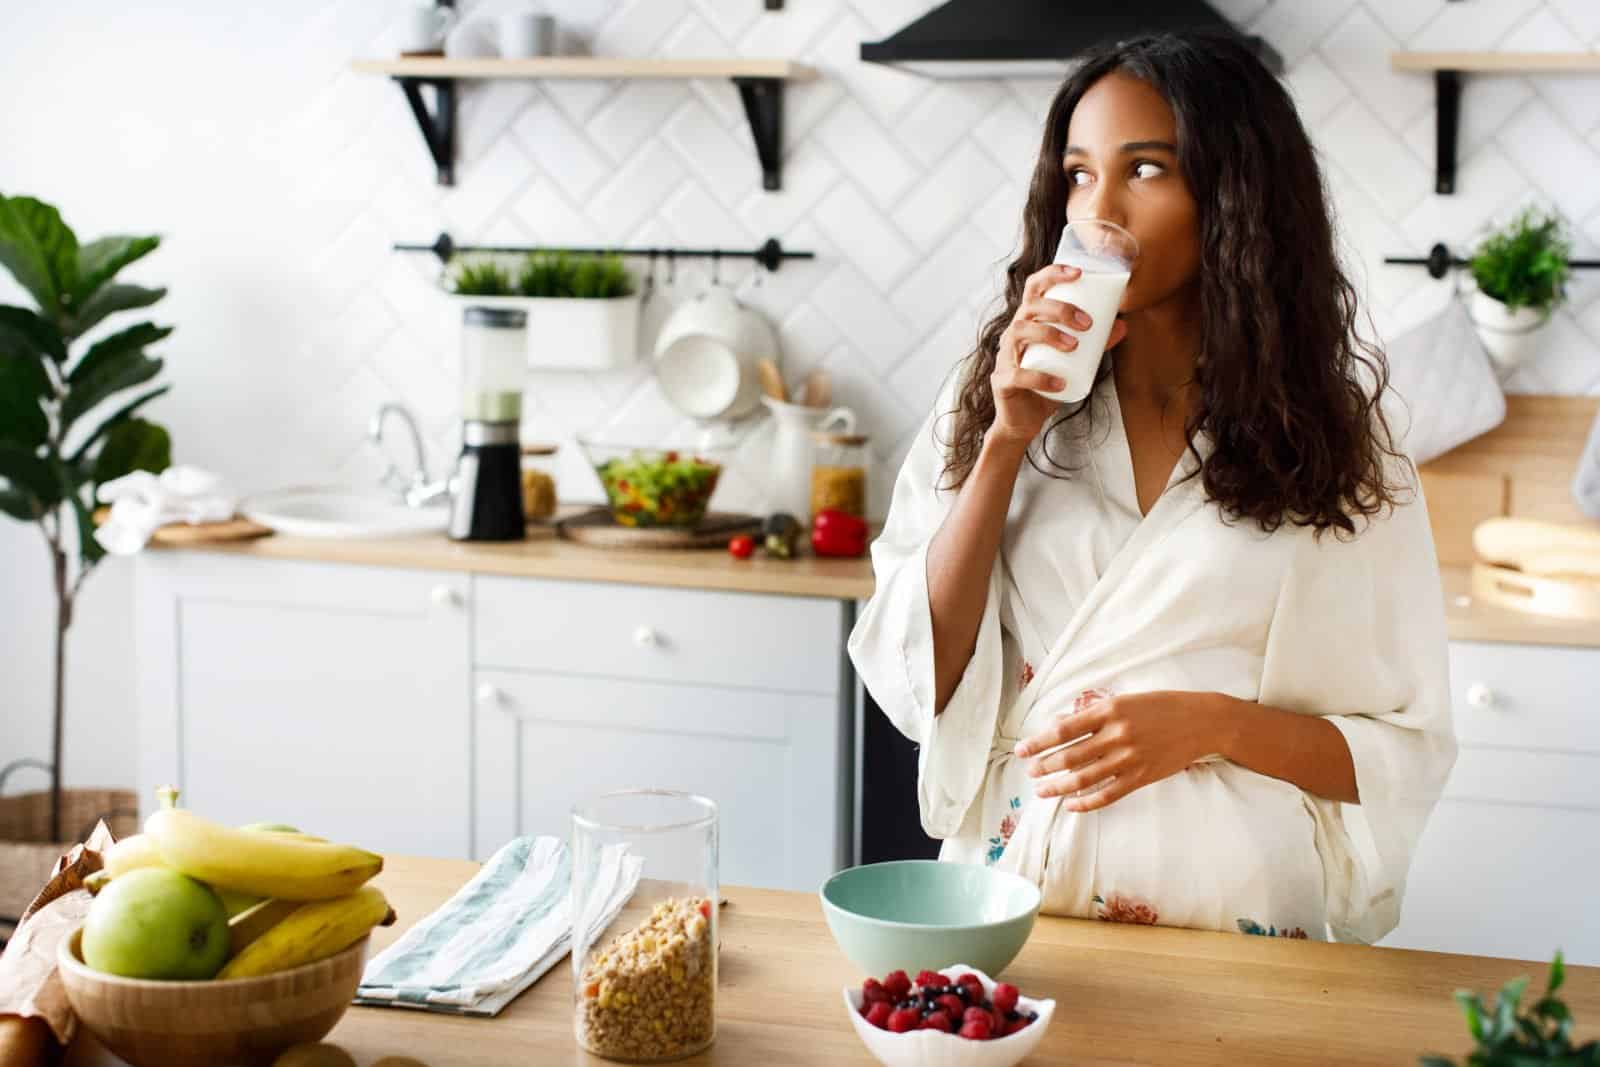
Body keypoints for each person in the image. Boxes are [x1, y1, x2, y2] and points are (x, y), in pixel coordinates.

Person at [847, 31, 1456, 943]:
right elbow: (916, 677)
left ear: (1234, 195)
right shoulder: (993, 401)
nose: (1099, 212)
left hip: (1238, 919)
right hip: (1020, 902)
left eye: (1145, 170)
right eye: (1080, 175)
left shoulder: (1337, 445)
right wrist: (1008, 440)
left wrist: (1211, 724)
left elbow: (1397, 751)